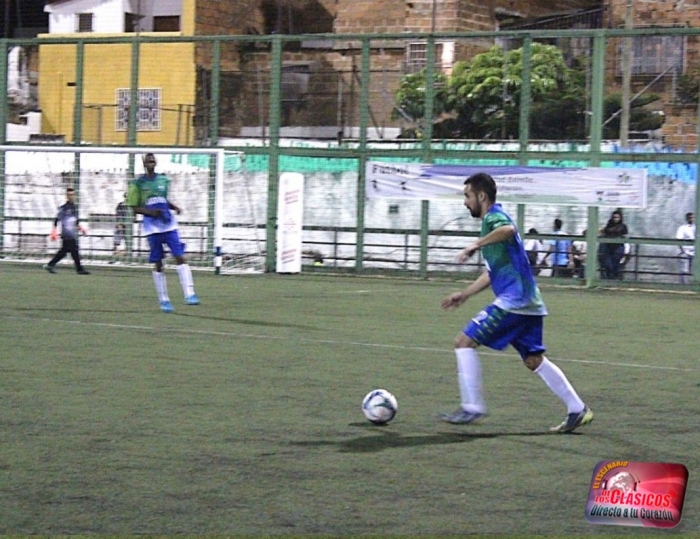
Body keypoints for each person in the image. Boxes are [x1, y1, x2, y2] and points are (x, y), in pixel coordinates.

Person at [439, 172, 593, 433]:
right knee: (534, 360)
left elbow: (509, 229)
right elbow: (492, 272)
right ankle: (577, 409)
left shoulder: (493, 217)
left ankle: (472, 406)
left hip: (515, 302)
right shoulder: (490, 225)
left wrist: (475, 244)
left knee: (464, 342)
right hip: (530, 303)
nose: (465, 202)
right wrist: (464, 294)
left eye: (467, 196)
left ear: (481, 196)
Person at [127, 153, 199, 313]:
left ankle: (190, 293)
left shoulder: (163, 180)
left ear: (156, 163)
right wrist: (151, 213)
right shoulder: (137, 184)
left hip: (168, 224)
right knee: (158, 263)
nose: (151, 162)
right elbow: (134, 207)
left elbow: (163, 200)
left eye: (153, 160)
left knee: (179, 255)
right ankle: (164, 299)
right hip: (152, 228)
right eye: (148, 160)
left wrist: (174, 207)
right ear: (144, 164)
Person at [43, 187, 90, 275]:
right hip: (66, 233)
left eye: (72, 195)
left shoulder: (74, 207)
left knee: (66, 251)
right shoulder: (63, 208)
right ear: (66, 196)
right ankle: (79, 269)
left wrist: (81, 228)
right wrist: (54, 231)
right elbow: (57, 219)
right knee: (73, 250)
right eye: (69, 195)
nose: (70, 197)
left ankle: (50, 264)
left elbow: (75, 220)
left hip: (72, 233)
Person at [599, 209, 628, 280]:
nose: (616, 219)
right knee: (608, 264)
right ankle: (609, 278)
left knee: (616, 263)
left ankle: (614, 278)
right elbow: (603, 232)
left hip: (618, 247)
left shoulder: (622, 226)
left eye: (617, 217)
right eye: (614, 217)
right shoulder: (609, 225)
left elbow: (625, 235)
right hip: (608, 247)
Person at [675, 211, 695, 284]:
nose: (691, 219)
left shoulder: (696, 227)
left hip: (694, 252)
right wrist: (682, 251)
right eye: (690, 218)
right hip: (685, 251)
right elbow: (679, 239)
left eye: (692, 218)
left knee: (693, 269)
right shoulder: (682, 228)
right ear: (687, 219)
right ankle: (684, 285)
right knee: (684, 270)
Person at [112, 192, 129, 260]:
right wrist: (120, 223)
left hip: (127, 225)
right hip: (122, 225)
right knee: (118, 235)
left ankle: (123, 252)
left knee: (125, 239)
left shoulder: (129, 206)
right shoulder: (121, 205)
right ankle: (116, 251)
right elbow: (118, 215)